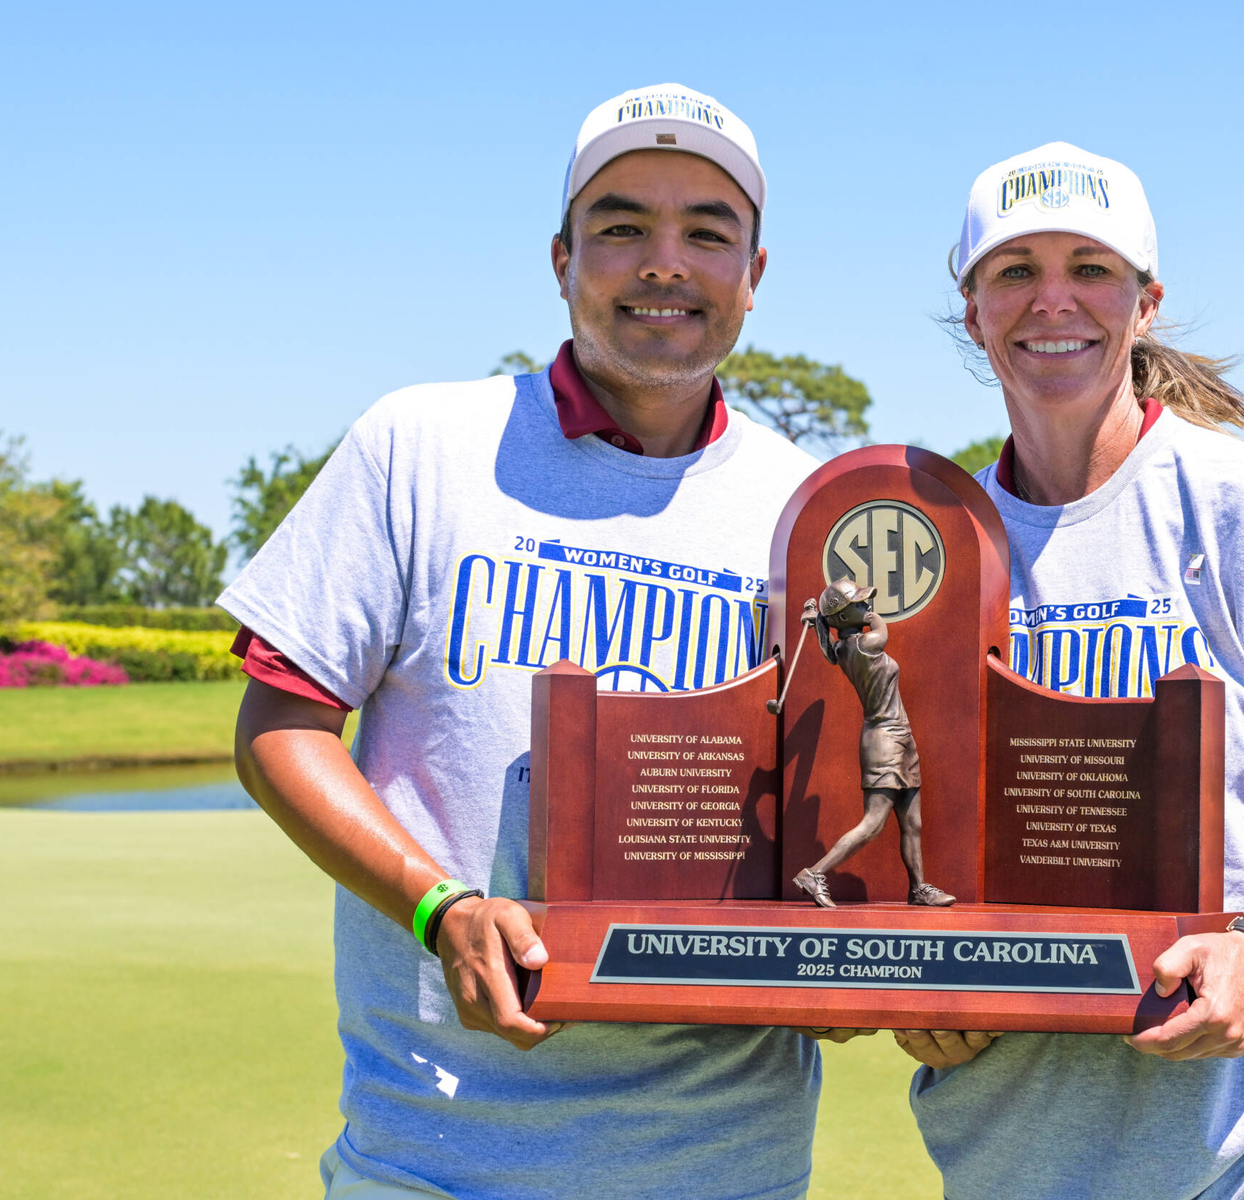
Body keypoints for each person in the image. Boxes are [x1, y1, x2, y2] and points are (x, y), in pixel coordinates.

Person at [224, 84, 829, 1200]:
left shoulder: (808, 508)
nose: (664, 261)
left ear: (754, 273)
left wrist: (843, 967)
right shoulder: (421, 445)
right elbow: (279, 725)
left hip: (727, 1164)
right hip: (436, 1159)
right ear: (561, 259)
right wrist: (435, 903)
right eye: (620, 227)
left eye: (707, 230)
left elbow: (830, 811)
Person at [893, 143, 1244, 1198]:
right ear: (973, 314)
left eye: (1089, 267)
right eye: (1015, 271)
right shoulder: (935, 536)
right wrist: (913, 990)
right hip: (1004, 1152)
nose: (1053, 299)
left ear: (1144, 302)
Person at [791, 579, 956, 908]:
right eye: (860, 603)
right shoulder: (864, 645)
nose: (867, 606)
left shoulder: (841, 648)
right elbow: (881, 628)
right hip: (884, 739)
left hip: (900, 737)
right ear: (842, 619)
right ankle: (814, 873)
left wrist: (819, 624)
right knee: (874, 822)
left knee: (912, 822)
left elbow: (828, 649)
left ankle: (919, 888)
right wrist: (831, 619)